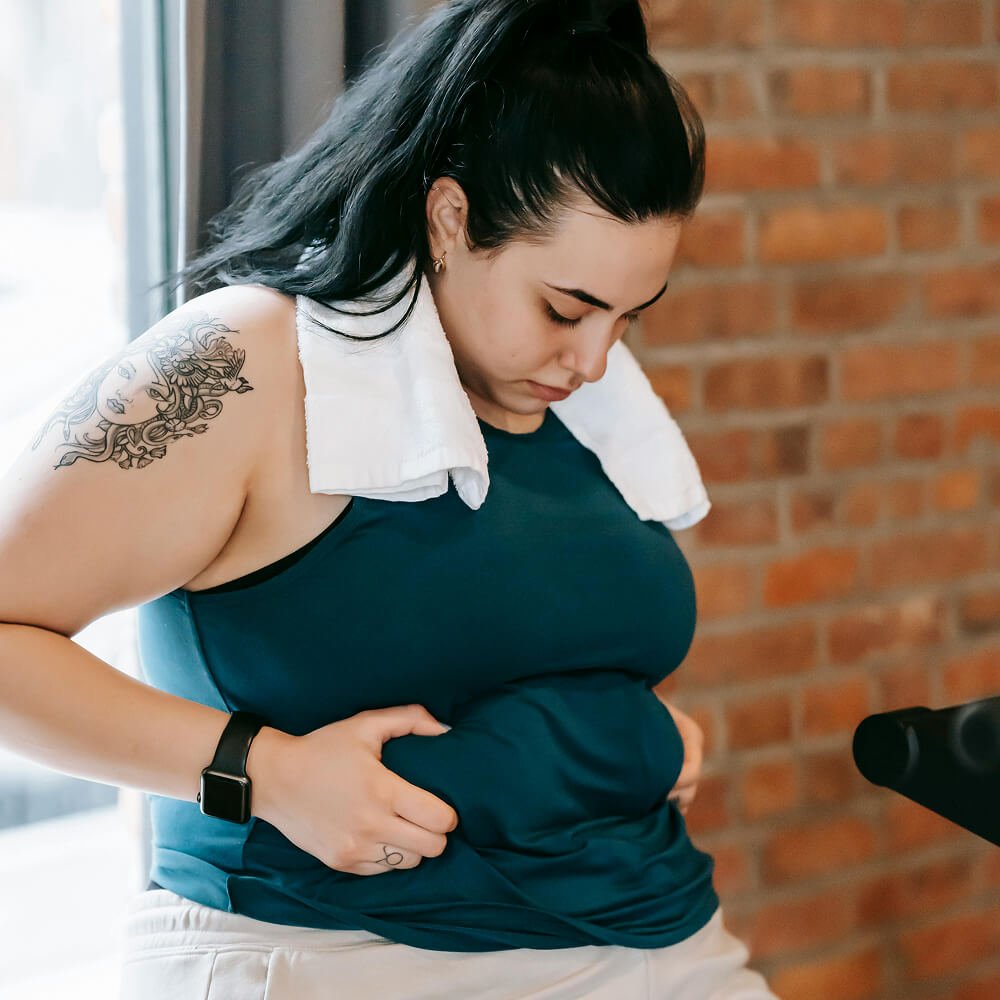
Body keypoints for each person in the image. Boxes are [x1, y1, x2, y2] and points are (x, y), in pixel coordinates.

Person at [0, 1, 780, 996]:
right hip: (336, 954)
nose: (593, 358)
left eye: (629, 317)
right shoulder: (245, 362)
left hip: (657, 938)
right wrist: (264, 770)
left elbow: (514, 638)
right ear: (451, 219)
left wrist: (627, 735)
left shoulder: (588, 409)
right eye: (565, 308)